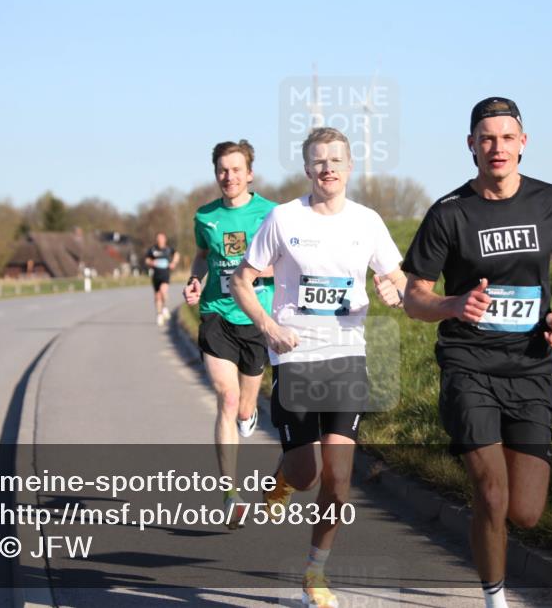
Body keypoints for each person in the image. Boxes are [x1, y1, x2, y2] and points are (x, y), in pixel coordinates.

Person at [400, 97, 552, 608]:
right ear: (470, 145)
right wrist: (454, 303)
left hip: (530, 369)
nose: (496, 147)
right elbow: (415, 297)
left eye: (506, 137)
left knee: (524, 511)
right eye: (486, 138)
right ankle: (494, 599)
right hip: (468, 366)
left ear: (523, 143)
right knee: (491, 494)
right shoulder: (449, 213)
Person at [231, 126, 407, 608]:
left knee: (338, 476)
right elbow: (241, 281)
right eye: (318, 160)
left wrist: (396, 288)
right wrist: (267, 326)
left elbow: (397, 276)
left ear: (349, 168)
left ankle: (315, 572)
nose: (327, 167)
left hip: (347, 358)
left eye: (336, 160)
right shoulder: (283, 219)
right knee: (307, 473)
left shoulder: (368, 222)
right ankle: (284, 476)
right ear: (307, 169)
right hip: (295, 358)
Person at [183, 139, 277, 529]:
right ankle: (230, 495)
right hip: (217, 316)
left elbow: (287, 261)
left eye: (236, 169)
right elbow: (203, 255)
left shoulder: (271, 213)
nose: (229, 176)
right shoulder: (205, 217)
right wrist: (194, 279)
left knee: (243, 407)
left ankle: (249, 413)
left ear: (249, 173)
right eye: (222, 169)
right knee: (227, 396)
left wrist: (254, 272)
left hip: (256, 318)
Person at [145, 232, 180, 326]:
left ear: (165, 240)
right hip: (155, 275)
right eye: (158, 239)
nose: (160, 240)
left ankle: (165, 307)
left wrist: (174, 263)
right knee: (157, 296)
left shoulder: (168, 249)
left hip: (165, 274)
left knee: (163, 291)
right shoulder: (152, 250)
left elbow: (176, 254)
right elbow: (147, 259)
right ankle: (159, 314)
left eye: (161, 239)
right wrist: (151, 262)